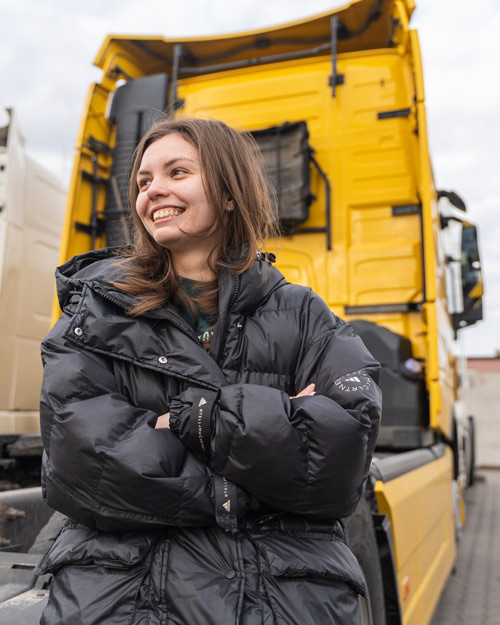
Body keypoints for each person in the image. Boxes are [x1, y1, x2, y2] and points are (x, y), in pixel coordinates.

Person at [37, 116, 382, 625]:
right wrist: (276, 433)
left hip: (282, 599)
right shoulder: (93, 315)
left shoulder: (305, 313)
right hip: (124, 599)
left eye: (178, 172)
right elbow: (83, 464)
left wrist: (193, 418)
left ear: (227, 192)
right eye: (144, 181)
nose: (154, 190)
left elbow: (340, 460)